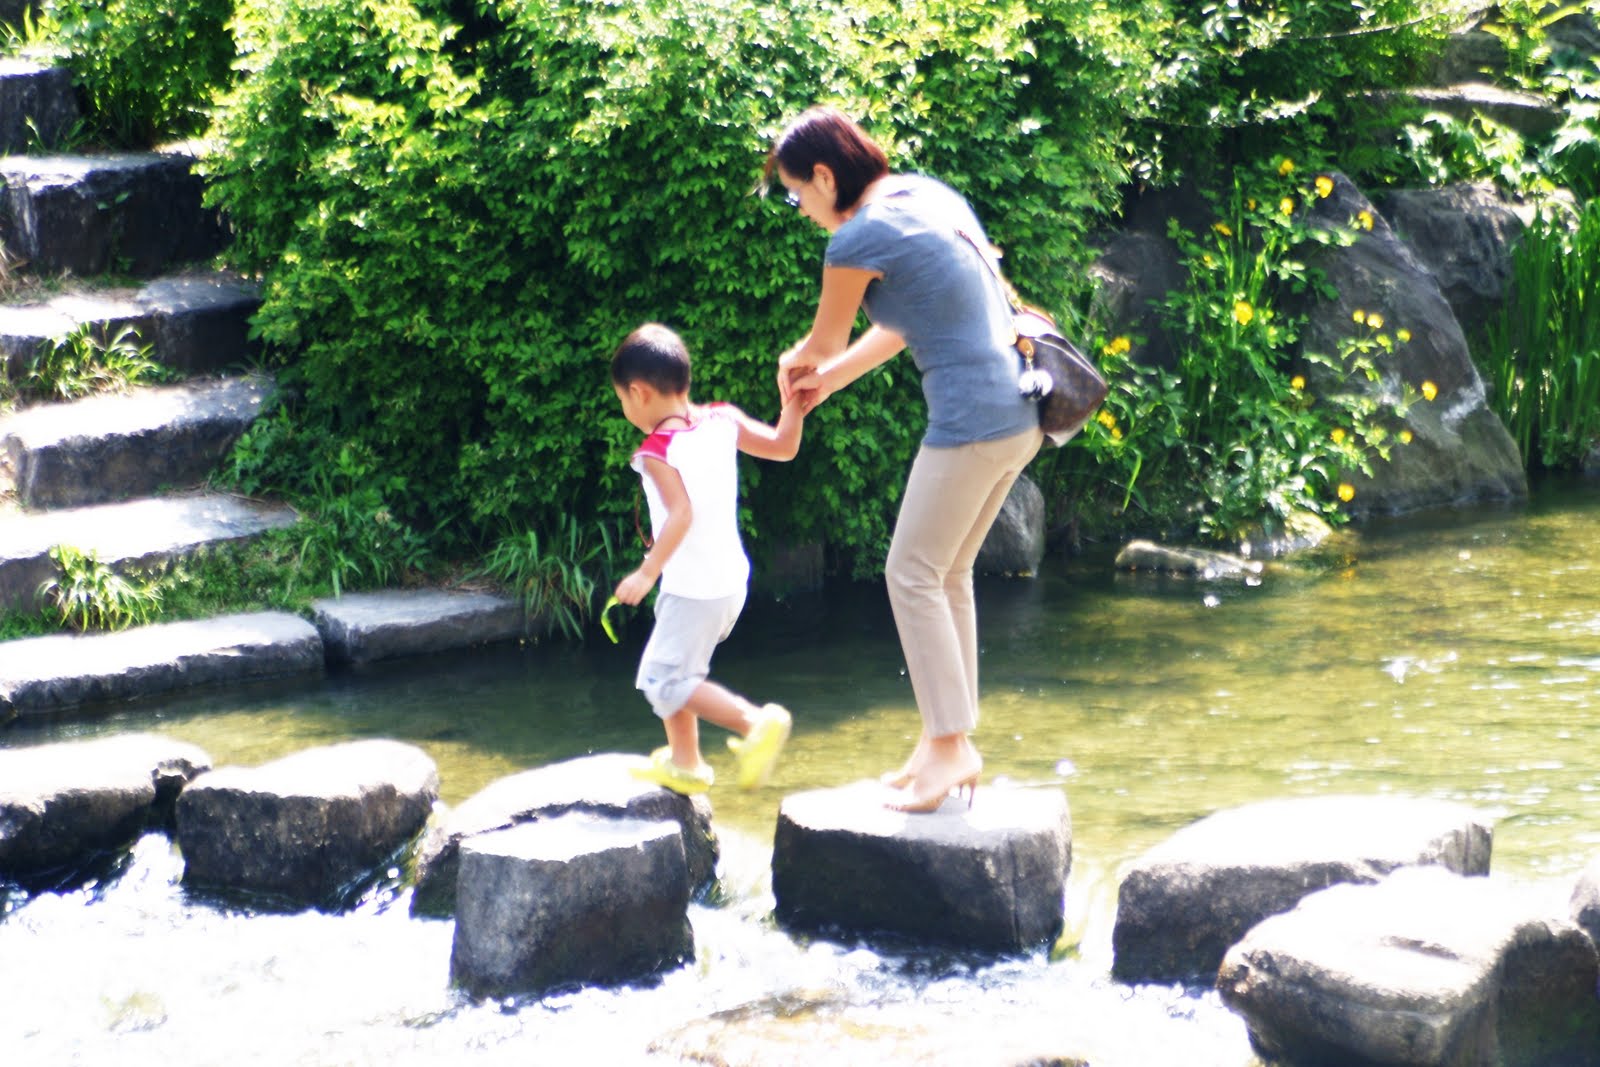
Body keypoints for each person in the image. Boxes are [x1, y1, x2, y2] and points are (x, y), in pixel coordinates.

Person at [766, 106, 1044, 814]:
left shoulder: (856, 237)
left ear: (825, 177)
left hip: (972, 419)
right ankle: (943, 738)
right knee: (945, 572)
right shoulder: (924, 196)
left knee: (909, 571)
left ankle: (952, 747)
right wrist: (828, 382)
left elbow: (821, 343)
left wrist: (796, 367)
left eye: (797, 194)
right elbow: (899, 325)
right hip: (1022, 409)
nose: (800, 210)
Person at [611, 322, 805, 795]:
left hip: (691, 588)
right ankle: (686, 763)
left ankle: (755, 723)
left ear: (637, 393)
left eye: (621, 398)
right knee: (675, 671)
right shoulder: (722, 420)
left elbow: (680, 514)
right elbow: (784, 446)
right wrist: (796, 403)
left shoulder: (657, 450)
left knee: (664, 678)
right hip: (729, 584)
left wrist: (645, 572)